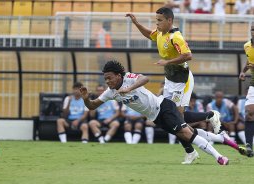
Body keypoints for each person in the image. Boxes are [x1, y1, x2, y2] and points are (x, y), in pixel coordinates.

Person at [80, 60, 229, 165]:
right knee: (187, 132)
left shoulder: (129, 78)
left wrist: (129, 89)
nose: (107, 81)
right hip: (156, 117)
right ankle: (214, 138)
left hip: (163, 106)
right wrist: (86, 99)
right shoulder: (110, 93)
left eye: (109, 78)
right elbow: (92, 106)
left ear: (118, 75)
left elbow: (145, 78)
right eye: (105, 79)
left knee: (186, 134)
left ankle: (219, 157)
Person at [126, 7, 223, 164]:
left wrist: (167, 62)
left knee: (176, 117)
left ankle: (208, 120)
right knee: (173, 117)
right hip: (170, 79)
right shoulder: (160, 33)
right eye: (156, 20)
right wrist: (136, 22)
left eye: (160, 20)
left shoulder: (175, 37)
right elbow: (149, 34)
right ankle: (195, 143)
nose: (157, 23)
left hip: (181, 80)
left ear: (169, 20)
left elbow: (188, 55)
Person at [239, 23, 254, 157]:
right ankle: (249, 145)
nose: (253, 32)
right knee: (249, 112)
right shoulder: (247, 46)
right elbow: (249, 62)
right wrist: (243, 71)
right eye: (252, 30)